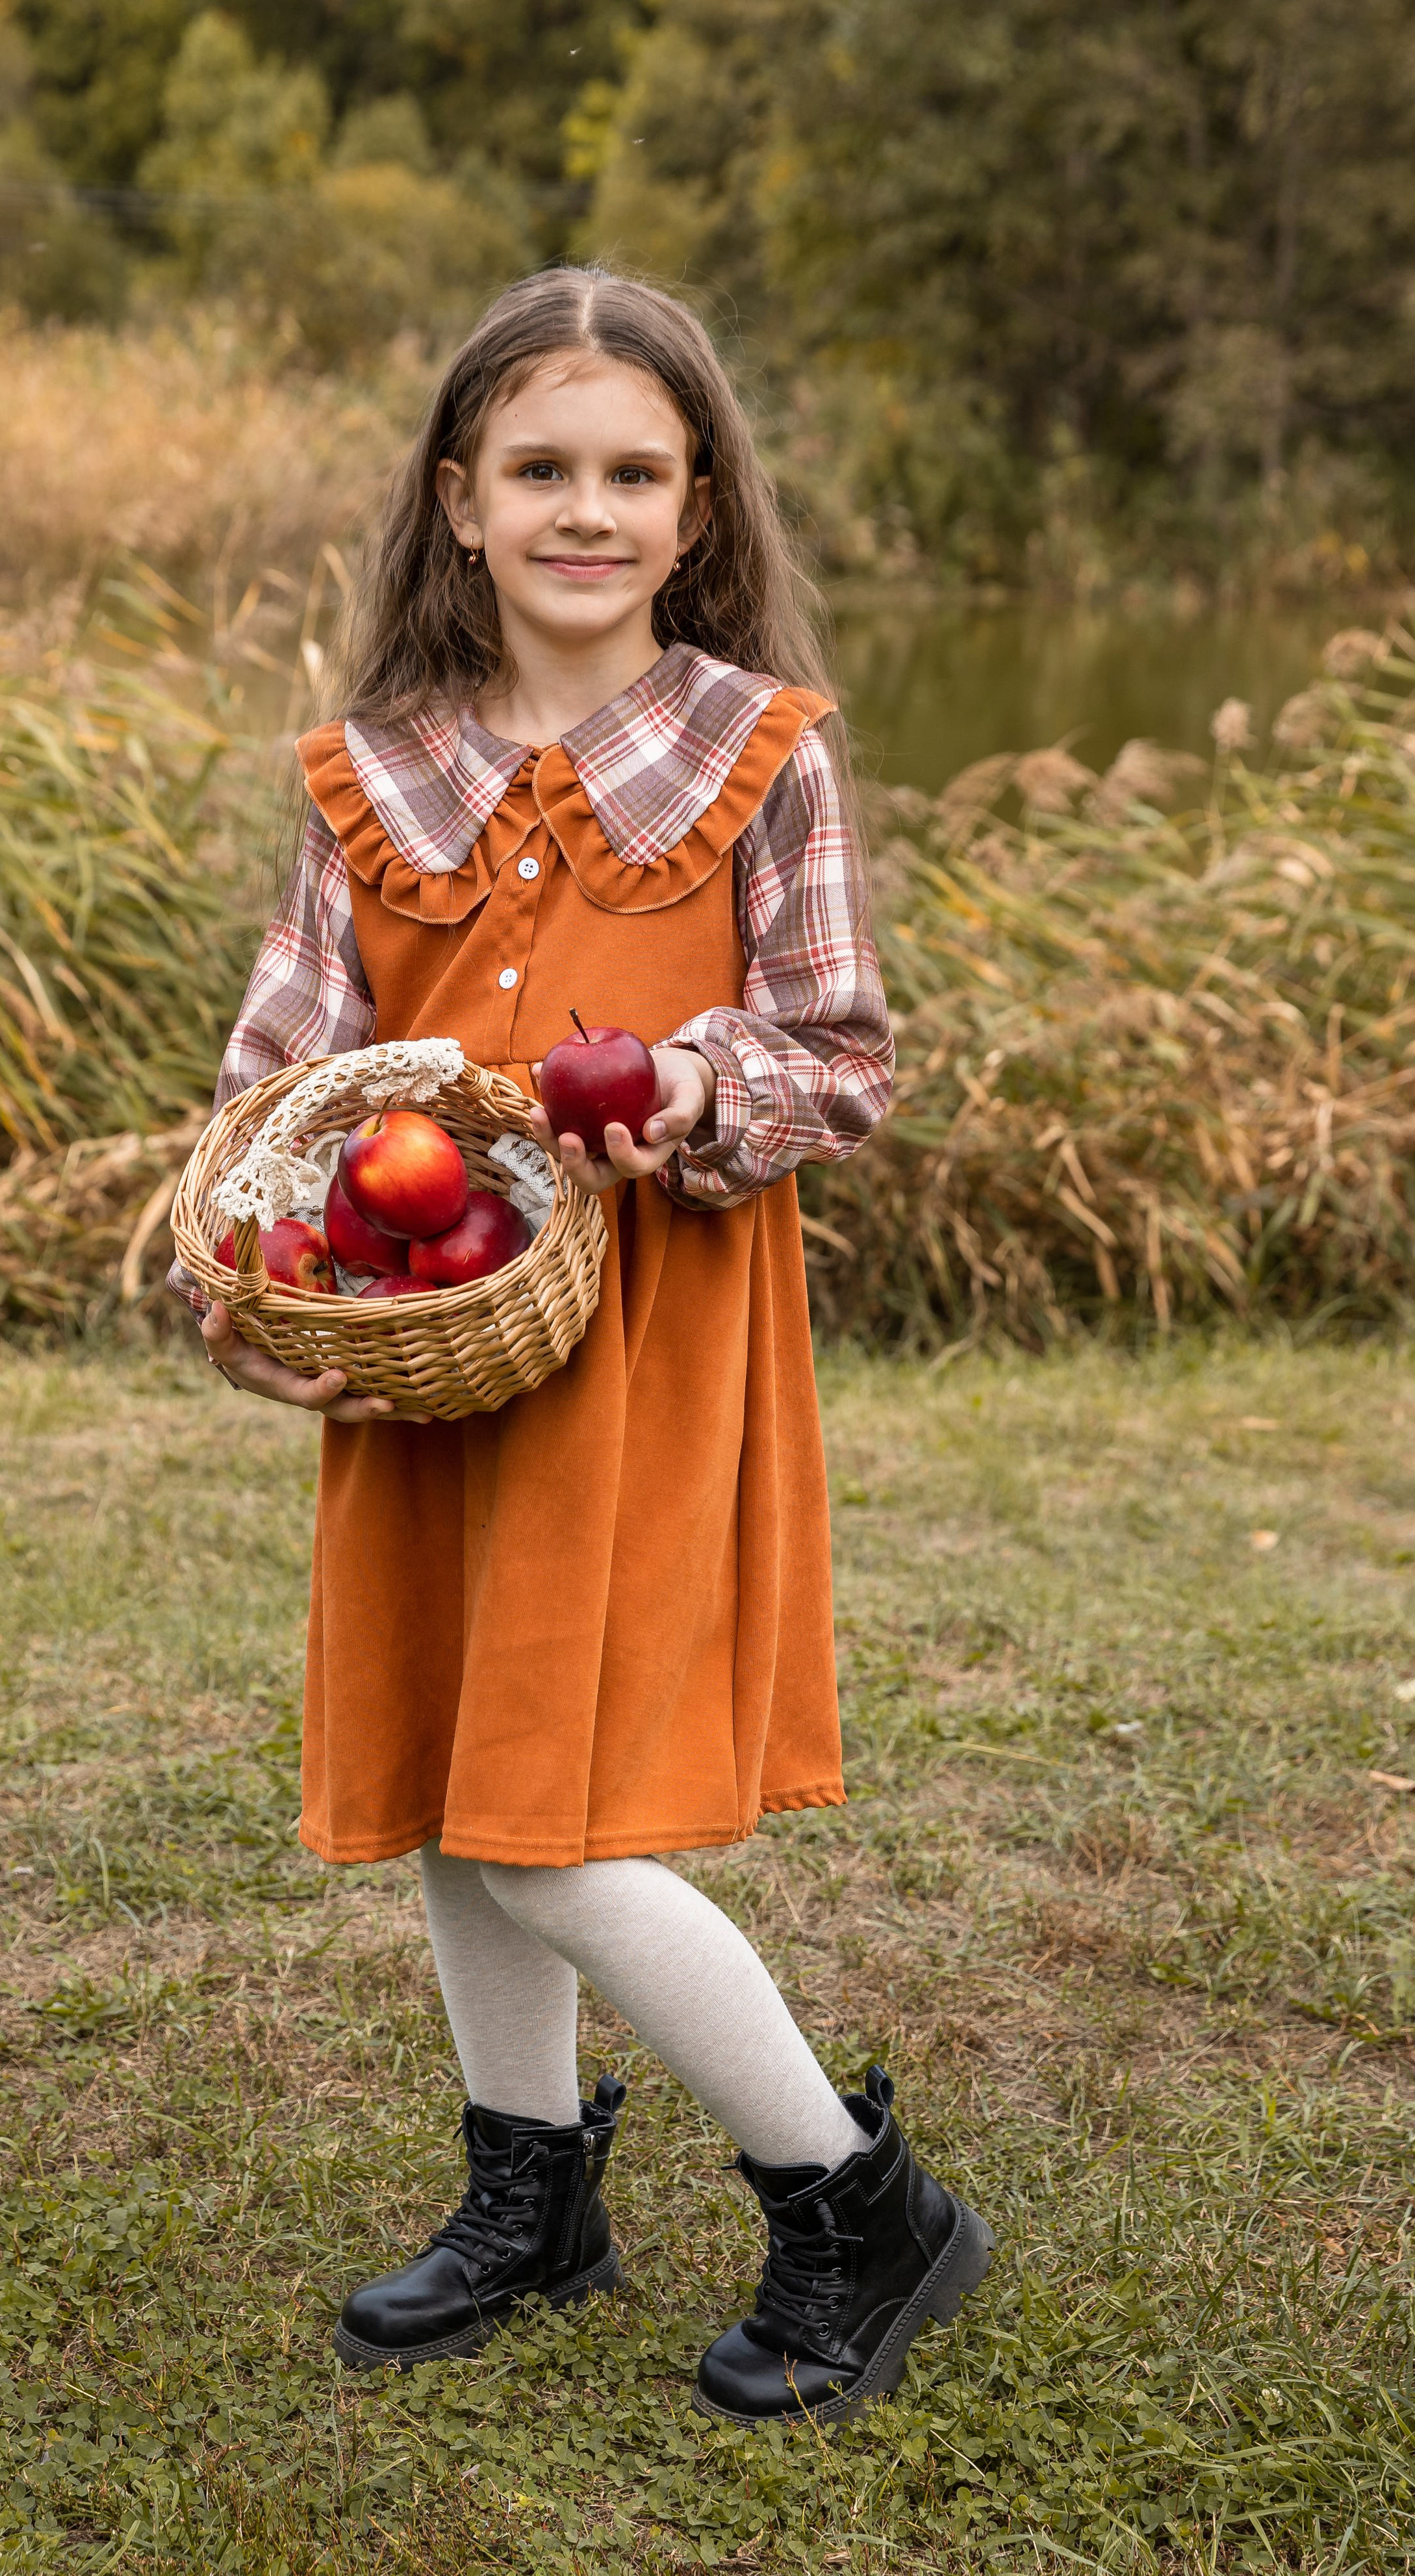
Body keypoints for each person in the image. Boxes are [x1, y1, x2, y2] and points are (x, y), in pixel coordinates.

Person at [183, 266, 993, 2427]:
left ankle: (858, 2199)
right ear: (460, 499)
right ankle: (528, 2192)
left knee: (551, 1821)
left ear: (699, 502)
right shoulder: (372, 774)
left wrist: (678, 1082)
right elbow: (283, 1080)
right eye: (539, 467)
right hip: (430, 1341)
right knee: (464, 1791)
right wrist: (252, 1272)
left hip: (643, 1354)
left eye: (634, 471)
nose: (585, 507)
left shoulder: (760, 757)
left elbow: (842, 1058)